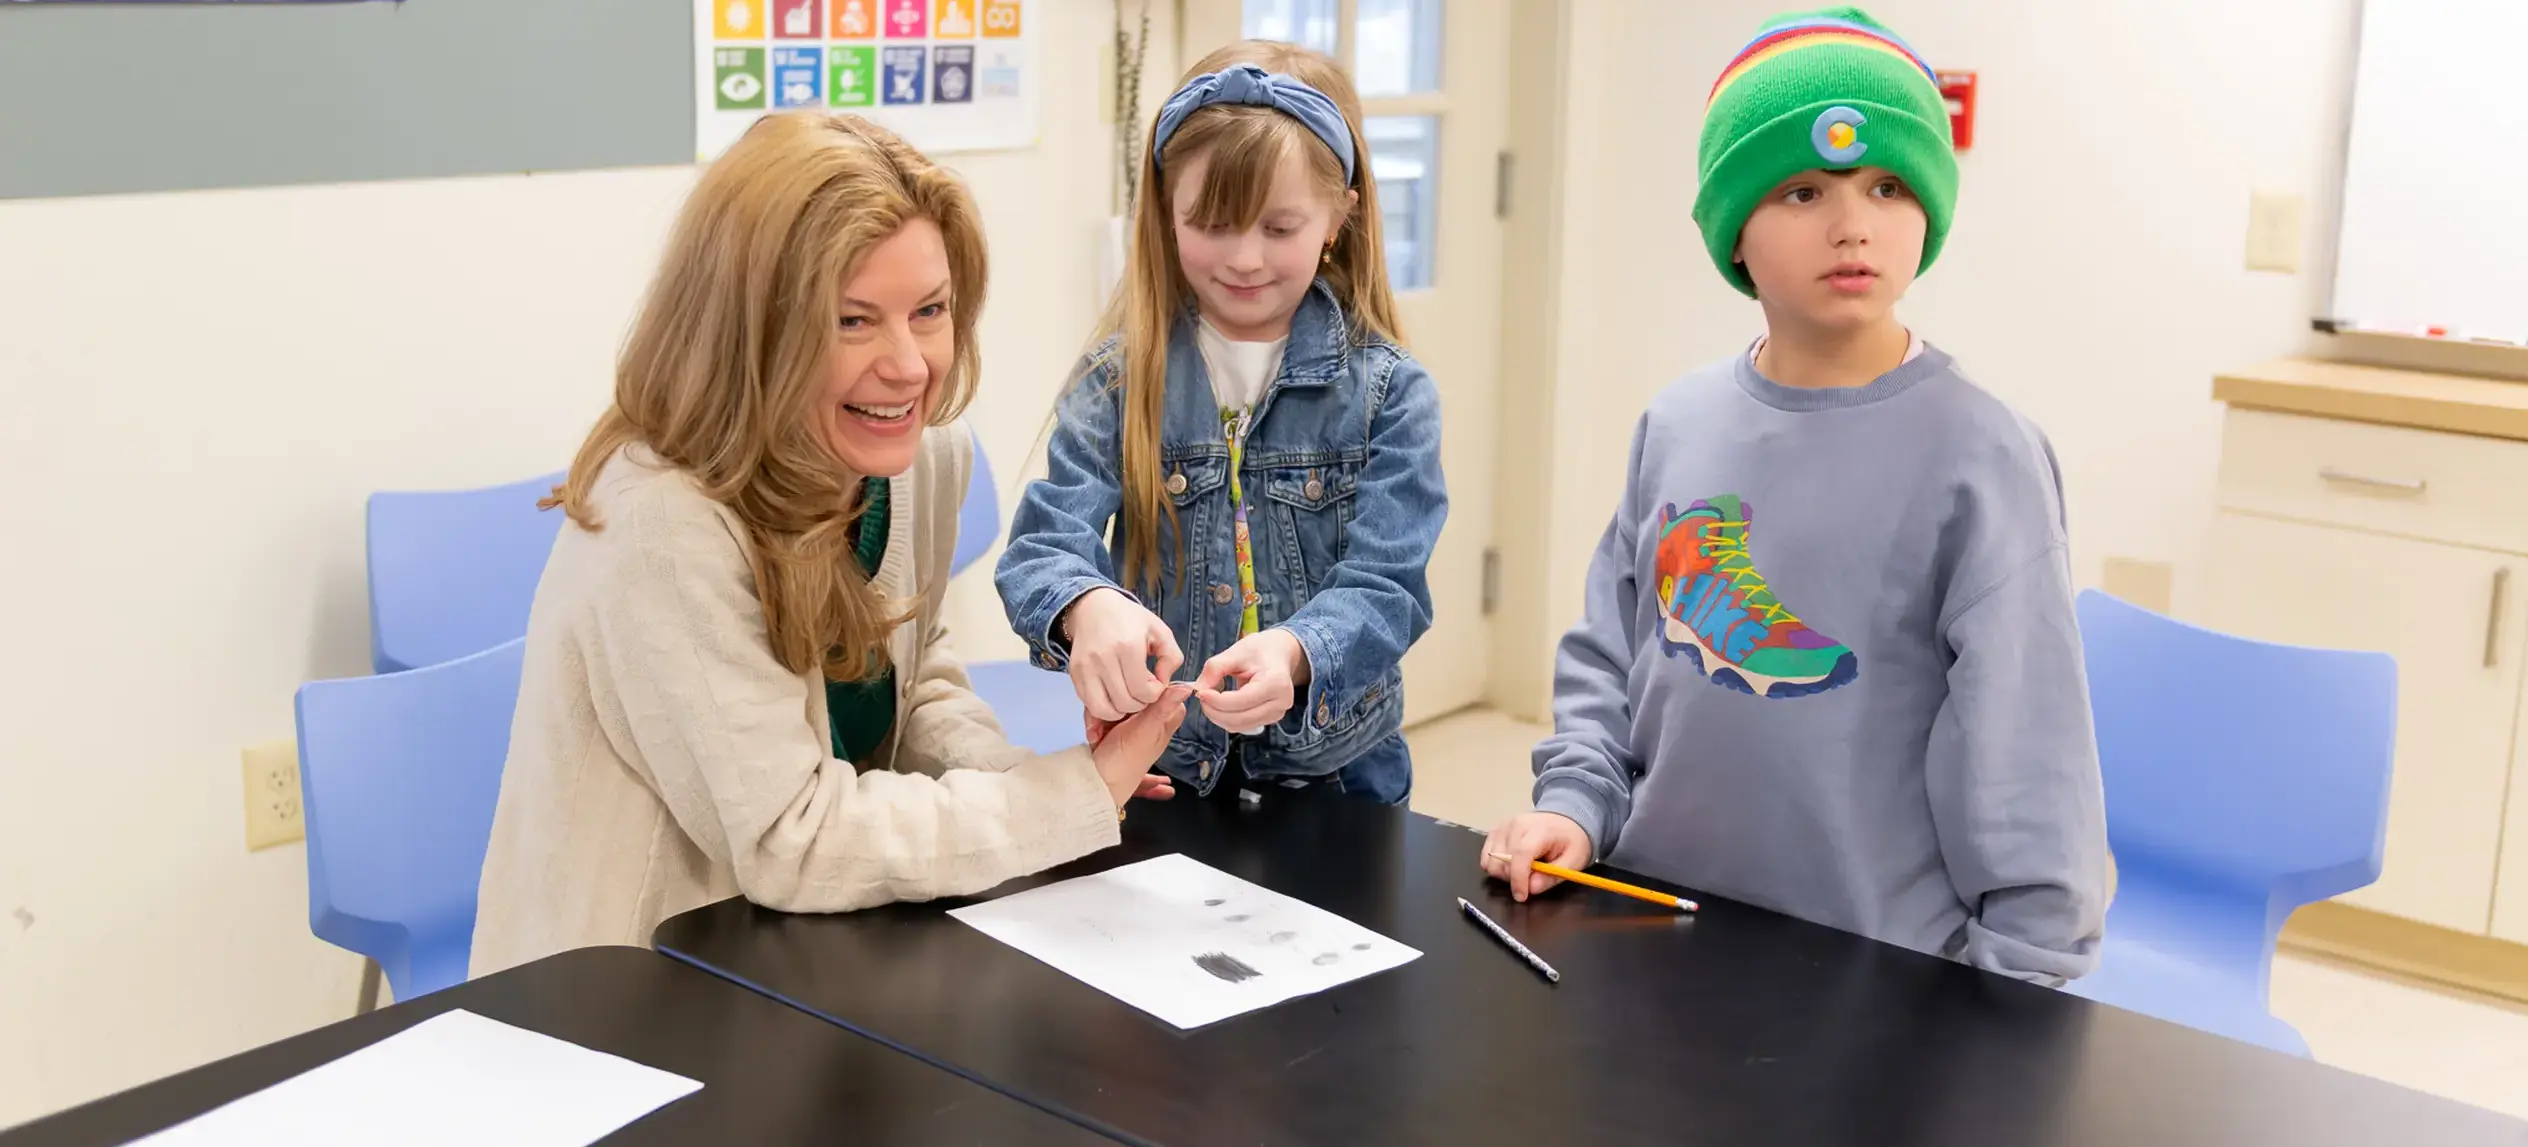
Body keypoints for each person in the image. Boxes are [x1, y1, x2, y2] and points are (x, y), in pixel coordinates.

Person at [469, 112, 1188, 977]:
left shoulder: (922, 457)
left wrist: (1044, 778)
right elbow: (793, 837)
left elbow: (912, 683)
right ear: (746, 330)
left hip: (810, 949)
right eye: (852, 321)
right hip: (624, 991)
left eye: (929, 310)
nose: (909, 365)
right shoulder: (661, 526)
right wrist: (1060, 801)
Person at [1479, 7, 2106, 985]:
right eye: (1803, 190)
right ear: (1734, 230)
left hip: (1874, 975)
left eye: (1888, 187)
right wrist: (1575, 803)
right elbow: (1610, 654)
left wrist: (2019, 989)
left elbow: (2028, 756)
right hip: (1652, 933)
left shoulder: (1984, 458)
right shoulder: (1677, 422)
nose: (1852, 224)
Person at [995, 42, 1447, 805]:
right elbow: (1044, 546)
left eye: (1279, 227)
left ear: (1339, 216)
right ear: (1165, 211)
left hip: (1341, 783)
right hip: (1164, 769)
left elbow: (1389, 585)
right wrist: (1085, 605)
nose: (1243, 258)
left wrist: (1298, 650)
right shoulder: (1117, 379)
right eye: (1211, 222)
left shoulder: (1391, 392)